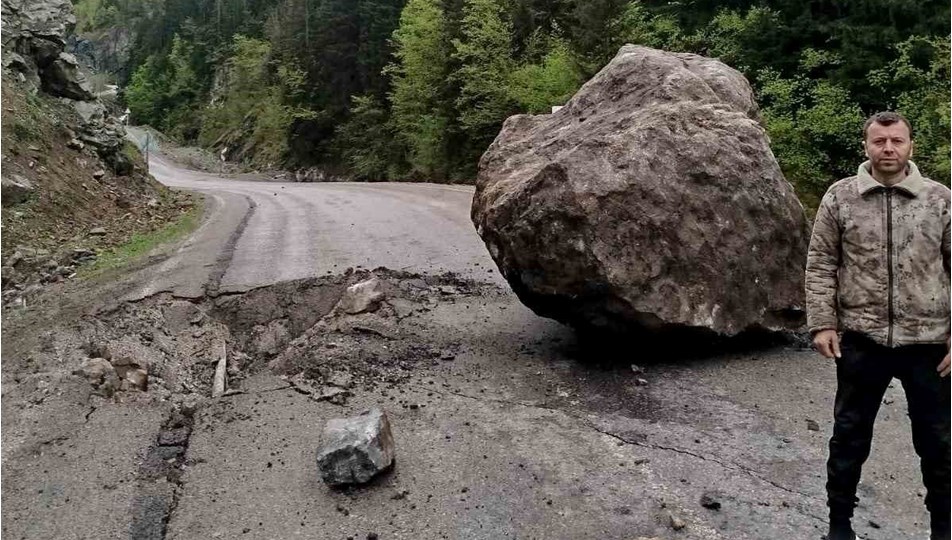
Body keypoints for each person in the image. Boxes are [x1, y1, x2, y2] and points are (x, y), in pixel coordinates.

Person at [805, 111, 951, 540]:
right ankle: (839, 527)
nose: (888, 149)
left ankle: (942, 529)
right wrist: (822, 323)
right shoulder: (840, 197)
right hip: (862, 338)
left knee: (939, 442)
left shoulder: (939, 199)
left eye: (897, 141)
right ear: (866, 146)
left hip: (928, 343)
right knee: (849, 435)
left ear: (911, 146)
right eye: (880, 141)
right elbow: (820, 263)